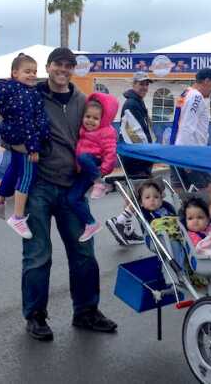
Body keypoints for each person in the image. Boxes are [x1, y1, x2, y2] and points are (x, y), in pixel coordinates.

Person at [23, 47, 116, 341]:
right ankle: (36, 315)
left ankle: (86, 311)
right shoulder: (31, 96)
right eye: (58, 64)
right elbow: (8, 130)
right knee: (38, 255)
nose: (63, 69)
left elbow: (101, 134)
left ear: (73, 69)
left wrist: (98, 169)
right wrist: (20, 150)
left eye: (68, 65)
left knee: (83, 253)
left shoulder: (82, 101)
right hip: (38, 187)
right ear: (48, 67)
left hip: (72, 187)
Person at [0, 53, 51, 238]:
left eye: (34, 71)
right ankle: (17, 216)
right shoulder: (23, 94)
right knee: (27, 177)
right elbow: (27, 122)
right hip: (26, 142)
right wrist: (34, 147)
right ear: (15, 73)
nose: (32, 75)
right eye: (27, 72)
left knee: (14, 168)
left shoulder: (12, 90)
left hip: (15, 138)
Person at [107, 73, 154, 246]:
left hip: (134, 155)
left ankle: (126, 230)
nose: (144, 87)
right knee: (143, 194)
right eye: (141, 84)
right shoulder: (132, 104)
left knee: (135, 193)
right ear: (133, 84)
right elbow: (136, 133)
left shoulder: (136, 102)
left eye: (146, 84)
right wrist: (148, 152)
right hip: (136, 156)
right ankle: (119, 221)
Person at [70, 93, 119, 242]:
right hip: (84, 169)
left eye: (95, 118)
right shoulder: (83, 130)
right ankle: (91, 223)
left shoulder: (106, 131)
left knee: (83, 156)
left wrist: (103, 171)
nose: (90, 121)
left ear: (102, 119)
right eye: (88, 117)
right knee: (72, 198)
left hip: (94, 165)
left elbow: (111, 153)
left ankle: (99, 183)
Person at [170, 68, 211, 208]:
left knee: (182, 193)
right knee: (209, 198)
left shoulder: (186, 93)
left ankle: (189, 220)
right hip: (191, 152)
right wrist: (186, 158)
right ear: (206, 81)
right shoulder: (196, 96)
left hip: (178, 149)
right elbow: (187, 126)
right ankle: (208, 224)